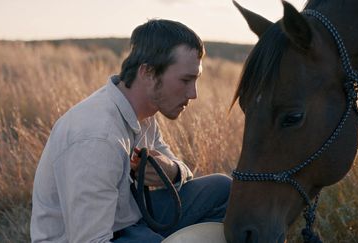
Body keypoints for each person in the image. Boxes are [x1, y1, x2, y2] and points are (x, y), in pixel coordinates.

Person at [30, 19, 232, 243]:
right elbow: (90, 239)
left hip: (128, 218)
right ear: (148, 73)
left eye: (196, 80)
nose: (193, 94)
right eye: (185, 80)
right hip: (93, 236)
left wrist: (172, 171)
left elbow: (183, 174)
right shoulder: (98, 138)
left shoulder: (143, 113)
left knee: (224, 190)